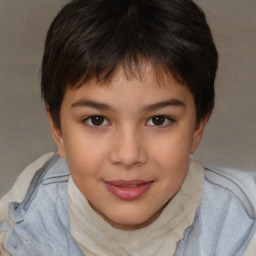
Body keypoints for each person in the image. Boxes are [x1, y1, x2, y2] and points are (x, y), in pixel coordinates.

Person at [0, 0, 255, 255]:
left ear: (198, 127)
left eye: (159, 120)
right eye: (96, 120)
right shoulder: (29, 209)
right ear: (58, 130)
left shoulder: (243, 222)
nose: (128, 155)